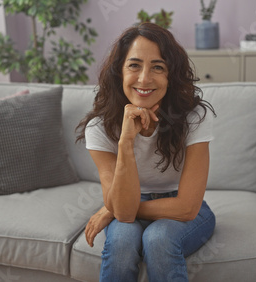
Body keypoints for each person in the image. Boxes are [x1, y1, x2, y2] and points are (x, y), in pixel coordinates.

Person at [76, 22, 216, 282]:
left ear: (170, 76)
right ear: (120, 72)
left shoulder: (195, 117)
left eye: (158, 67)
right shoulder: (99, 126)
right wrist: (126, 142)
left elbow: (186, 208)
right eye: (134, 65)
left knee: (158, 238)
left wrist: (111, 209)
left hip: (184, 209)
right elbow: (125, 215)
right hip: (129, 197)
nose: (144, 78)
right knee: (121, 242)